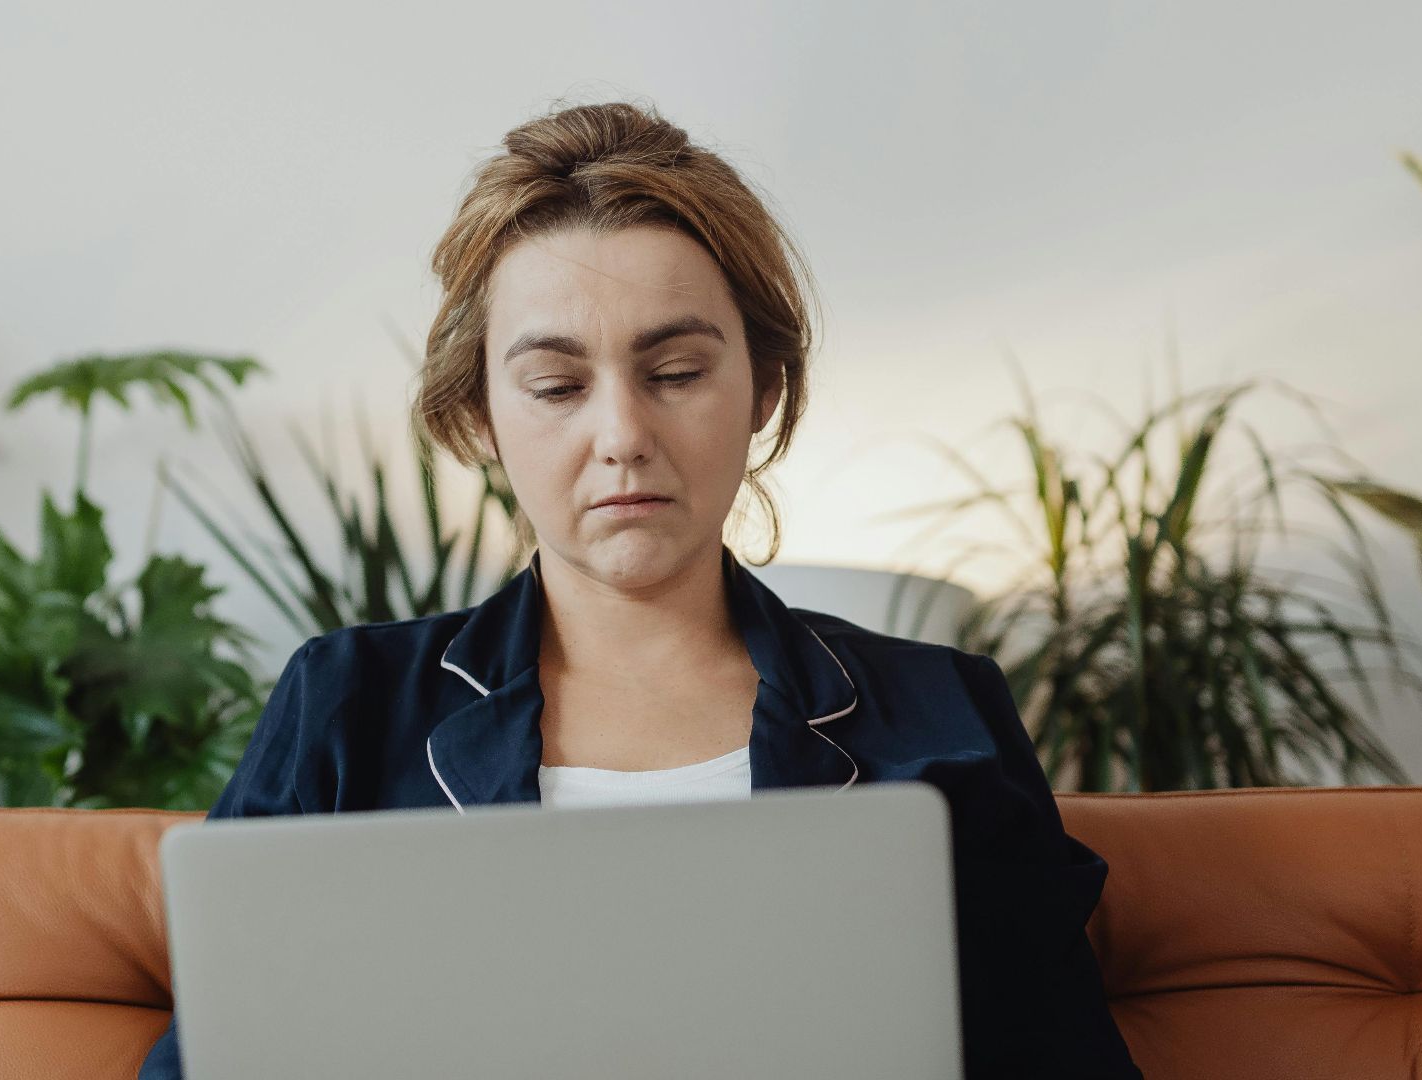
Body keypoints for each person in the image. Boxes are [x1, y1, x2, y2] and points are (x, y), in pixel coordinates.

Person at [139, 98, 1142, 1079]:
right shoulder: (347, 704)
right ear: (482, 419)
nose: (621, 435)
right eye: (557, 387)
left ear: (763, 390)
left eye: (673, 371)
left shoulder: (941, 711)